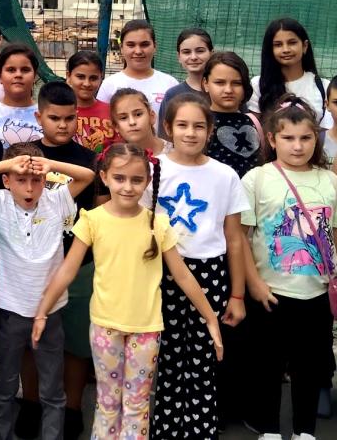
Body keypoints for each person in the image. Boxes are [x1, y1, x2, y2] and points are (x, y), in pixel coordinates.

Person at [31, 142, 223, 440]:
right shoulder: (93, 219)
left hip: (146, 329)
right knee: (107, 403)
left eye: (136, 180)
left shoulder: (157, 224)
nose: (128, 187)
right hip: (105, 327)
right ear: (104, 177)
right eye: (119, 178)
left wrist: (210, 318)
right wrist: (42, 311)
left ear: (147, 181)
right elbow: (68, 269)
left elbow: (183, 275)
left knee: (137, 405)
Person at [242, 95, 337, 440]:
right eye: (288, 138)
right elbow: (240, 237)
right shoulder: (257, 179)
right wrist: (253, 283)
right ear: (272, 139)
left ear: (317, 139)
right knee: (268, 365)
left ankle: (305, 430)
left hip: (317, 294)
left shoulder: (329, 182)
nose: (297, 146)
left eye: (305, 138)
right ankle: (269, 429)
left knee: (309, 367)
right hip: (270, 292)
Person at [0, 142, 95, 440]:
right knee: (6, 386)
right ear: (7, 180)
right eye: (20, 179)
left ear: (45, 180)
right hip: (10, 311)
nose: (29, 187)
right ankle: (5, 435)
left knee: (52, 389)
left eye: (36, 180)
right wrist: (9, 164)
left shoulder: (57, 199)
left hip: (51, 312)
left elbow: (87, 176)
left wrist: (50, 166)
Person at [150, 93, 248, 440]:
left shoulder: (225, 175)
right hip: (162, 273)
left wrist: (237, 294)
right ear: (168, 128)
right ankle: (166, 430)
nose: (190, 133)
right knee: (169, 356)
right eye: (182, 125)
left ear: (210, 130)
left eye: (198, 126)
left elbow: (234, 238)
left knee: (205, 357)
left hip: (210, 274)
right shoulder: (153, 169)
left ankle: (201, 430)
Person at [35, 79, 100, 439]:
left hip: (79, 263)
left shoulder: (88, 160)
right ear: (39, 117)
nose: (62, 125)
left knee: (76, 342)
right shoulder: (25, 155)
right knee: (33, 338)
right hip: (33, 264)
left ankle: (72, 406)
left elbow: (98, 211)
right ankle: (32, 402)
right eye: (54, 118)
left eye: (69, 118)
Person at [251, 18, 329, 122]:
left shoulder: (324, 87)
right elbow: (255, 127)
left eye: (292, 43)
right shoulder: (258, 85)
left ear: (305, 46)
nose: (286, 50)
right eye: (278, 45)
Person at [95, 20, 178, 113]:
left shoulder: (170, 84)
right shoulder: (109, 85)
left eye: (144, 45)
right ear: (121, 48)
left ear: (155, 46)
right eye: (131, 45)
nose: (138, 51)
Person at [203, 51, 263, 178]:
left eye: (236, 83)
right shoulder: (200, 123)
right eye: (220, 83)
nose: (228, 90)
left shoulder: (253, 121)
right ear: (206, 84)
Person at [0, 44, 45, 147]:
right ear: (0, 76)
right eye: (11, 70)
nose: (18, 75)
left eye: (25, 70)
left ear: (34, 76)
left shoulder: (46, 114)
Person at [156, 28, 214, 136]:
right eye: (186, 52)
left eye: (200, 51)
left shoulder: (224, 90)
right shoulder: (172, 94)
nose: (193, 57)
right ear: (179, 57)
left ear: (211, 53)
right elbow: (165, 137)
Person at [67, 50, 116, 153]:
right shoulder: (58, 111)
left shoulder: (112, 112)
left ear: (101, 78)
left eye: (93, 78)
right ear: (68, 76)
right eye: (80, 77)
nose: (87, 83)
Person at [109, 88, 165, 166]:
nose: (132, 122)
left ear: (151, 116)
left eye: (138, 114)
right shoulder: (113, 162)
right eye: (123, 118)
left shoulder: (176, 151)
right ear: (116, 126)